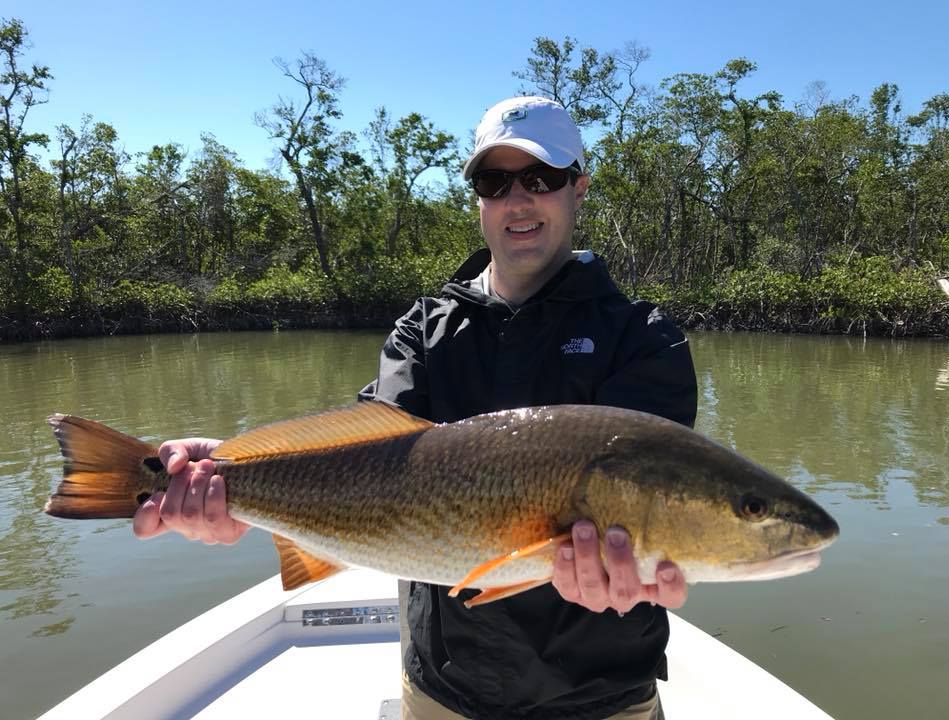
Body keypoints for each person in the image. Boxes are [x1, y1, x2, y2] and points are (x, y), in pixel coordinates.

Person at [133, 95, 698, 720]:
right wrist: (232, 473)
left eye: (541, 178)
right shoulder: (422, 330)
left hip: (603, 697)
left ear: (578, 188)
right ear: (478, 199)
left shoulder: (645, 338)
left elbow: (650, 500)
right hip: (443, 692)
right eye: (494, 181)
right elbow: (366, 457)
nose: (518, 200)